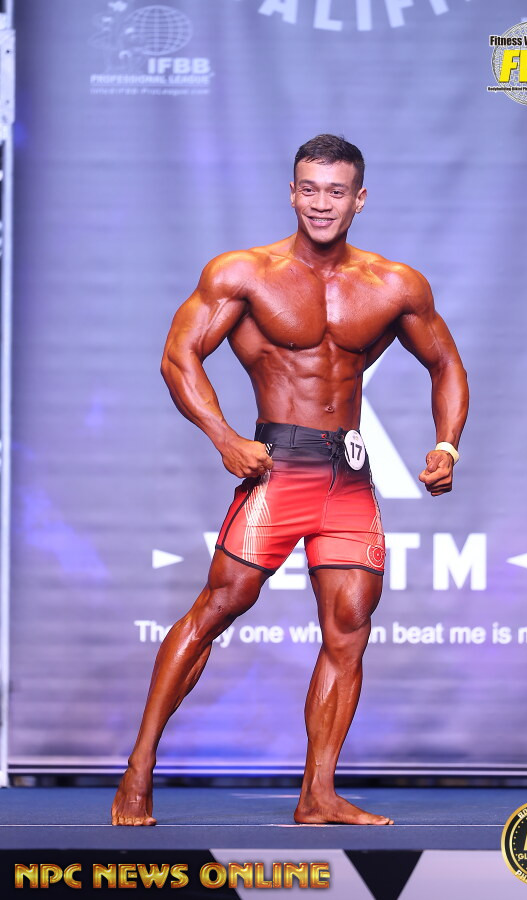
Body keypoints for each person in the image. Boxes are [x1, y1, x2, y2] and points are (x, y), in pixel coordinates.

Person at [111, 134, 469, 826]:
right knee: (221, 604)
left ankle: (318, 794)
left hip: (348, 475)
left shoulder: (395, 284)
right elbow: (178, 356)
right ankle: (139, 769)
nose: (321, 203)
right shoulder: (244, 273)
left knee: (350, 625)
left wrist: (447, 444)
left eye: (336, 191)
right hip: (279, 467)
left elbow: (445, 363)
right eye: (309, 189)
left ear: (359, 200)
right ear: (292, 193)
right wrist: (224, 438)